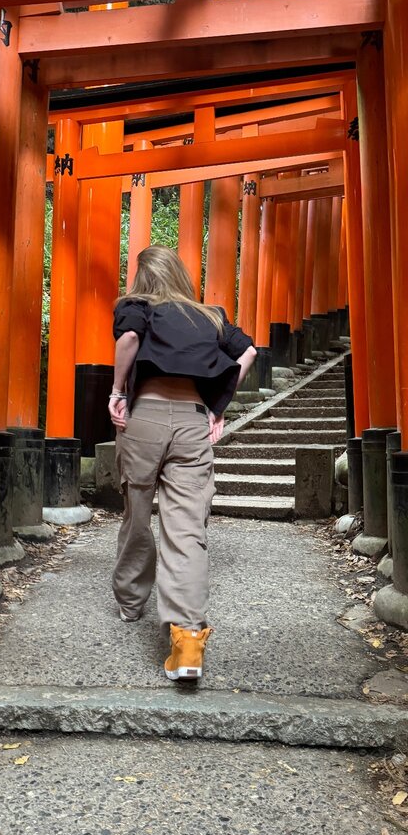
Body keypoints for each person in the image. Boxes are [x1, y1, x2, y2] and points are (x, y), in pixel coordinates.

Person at [109, 244, 257, 684]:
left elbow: (129, 339)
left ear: (143, 277)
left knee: (137, 513)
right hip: (193, 422)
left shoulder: (137, 306)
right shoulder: (210, 315)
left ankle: (131, 602)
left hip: (145, 418)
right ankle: (188, 640)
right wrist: (219, 405)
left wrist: (117, 391)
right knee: (188, 528)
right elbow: (248, 352)